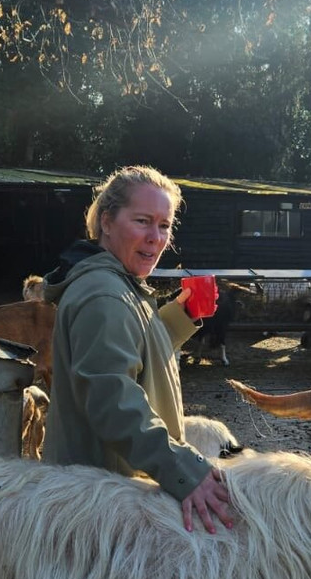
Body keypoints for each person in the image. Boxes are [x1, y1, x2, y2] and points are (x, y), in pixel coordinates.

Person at [41, 166, 234, 534]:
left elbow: (130, 344)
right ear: (107, 221)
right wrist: (185, 472)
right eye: (143, 221)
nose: (155, 238)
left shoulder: (119, 283)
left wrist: (182, 315)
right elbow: (113, 400)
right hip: (102, 506)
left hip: (106, 491)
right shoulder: (104, 294)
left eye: (164, 225)